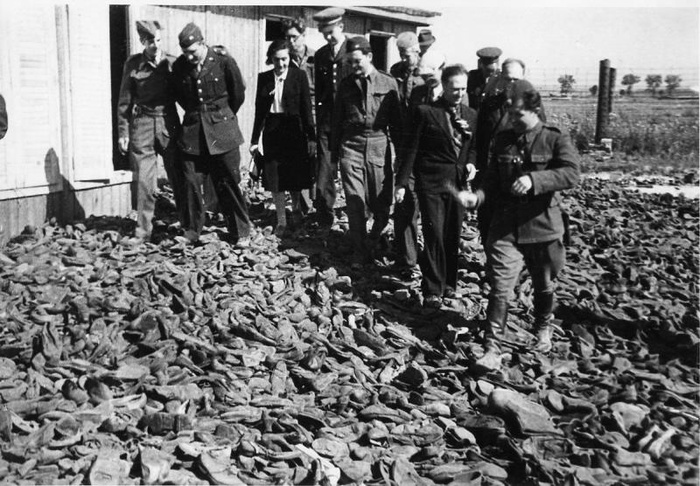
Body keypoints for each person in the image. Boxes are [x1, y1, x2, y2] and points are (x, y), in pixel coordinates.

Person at [459, 87, 580, 354]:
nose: (511, 119)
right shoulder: (503, 140)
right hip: (506, 226)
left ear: (535, 111)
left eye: (518, 114)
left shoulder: (554, 138)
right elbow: (491, 180)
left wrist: (535, 180)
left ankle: (542, 327)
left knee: (544, 283)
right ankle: (492, 347)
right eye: (509, 114)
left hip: (542, 225)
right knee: (500, 286)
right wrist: (477, 197)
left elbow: (571, 174)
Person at [395, 64, 477, 308]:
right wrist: (402, 183)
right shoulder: (426, 112)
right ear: (444, 86)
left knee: (452, 234)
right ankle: (432, 288)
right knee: (434, 233)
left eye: (463, 89)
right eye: (454, 89)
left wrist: (471, 164)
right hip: (431, 181)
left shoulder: (471, 115)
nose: (459, 93)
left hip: (458, 183)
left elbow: (473, 147)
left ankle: (449, 284)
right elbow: (411, 149)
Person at [171, 22, 251, 246]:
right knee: (190, 181)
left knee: (227, 182)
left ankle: (240, 231)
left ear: (202, 43)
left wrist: (221, 117)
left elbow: (237, 94)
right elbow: (181, 97)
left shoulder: (223, 61)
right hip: (193, 133)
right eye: (185, 52)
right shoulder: (179, 66)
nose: (189, 57)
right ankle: (191, 231)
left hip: (222, 130)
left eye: (192, 51)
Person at [332, 36, 402, 265]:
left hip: (379, 146)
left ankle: (374, 238)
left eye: (357, 61)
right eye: (350, 62)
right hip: (351, 146)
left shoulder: (388, 83)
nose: (353, 66)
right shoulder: (345, 85)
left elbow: (397, 124)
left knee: (381, 202)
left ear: (369, 57)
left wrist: (400, 157)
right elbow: (337, 121)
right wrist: (333, 157)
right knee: (355, 202)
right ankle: (360, 251)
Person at [117, 21, 184, 240]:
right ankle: (143, 231)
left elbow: (186, 95)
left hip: (168, 121)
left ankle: (187, 224)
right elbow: (124, 101)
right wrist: (123, 132)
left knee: (178, 174)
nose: (155, 45)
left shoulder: (173, 63)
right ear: (142, 42)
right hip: (143, 124)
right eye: (150, 42)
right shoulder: (133, 64)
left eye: (158, 40)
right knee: (145, 181)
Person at [473, 65, 546, 244]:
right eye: (507, 79)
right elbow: (479, 139)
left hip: (516, 175)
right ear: (500, 78)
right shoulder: (490, 104)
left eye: (516, 79)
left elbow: (539, 140)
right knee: (487, 222)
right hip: (490, 171)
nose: (511, 83)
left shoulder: (533, 108)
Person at [250, 40, 316, 236]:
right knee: (275, 178)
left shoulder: (299, 76)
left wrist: (311, 137)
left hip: (294, 130)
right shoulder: (264, 78)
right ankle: (281, 220)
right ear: (271, 59)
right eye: (277, 59)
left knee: (294, 177)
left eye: (284, 59)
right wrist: (254, 140)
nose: (280, 64)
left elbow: (306, 108)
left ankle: (296, 212)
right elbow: (259, 112)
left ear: (290, 58)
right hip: (272, 131)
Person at [312, 7, 353, 227]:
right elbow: (320, 91)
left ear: (341, 27)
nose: (328, 37)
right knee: (324, 170)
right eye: (324, 34)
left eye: (331, 32)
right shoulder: (320, 55)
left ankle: (357, 216)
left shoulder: (354, 50)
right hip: (328, 122)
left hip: (350, 121)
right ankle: (324, 217)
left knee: (351, 169)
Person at [390, 31, 425, 274]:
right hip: (404, 146)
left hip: (427, 147)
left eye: (408, 54)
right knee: (405, 201)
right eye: (401, 54)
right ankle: (407, 258)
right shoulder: (396, 73)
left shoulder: (427, 75)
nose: (405, 59)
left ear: (417, 52)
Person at [283, 17, 316, 216]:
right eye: (288, 37)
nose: (291, 41)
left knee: (314, 164)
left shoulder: (315, 59)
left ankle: (315, 207)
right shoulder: (283, 60)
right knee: (294, 163)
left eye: (294, 37)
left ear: (303, 36)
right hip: (293, 117)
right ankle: (299, 209)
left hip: (314, 116)